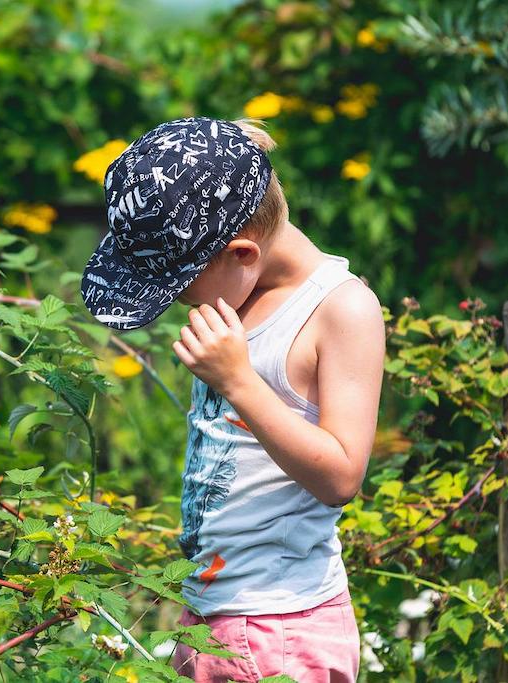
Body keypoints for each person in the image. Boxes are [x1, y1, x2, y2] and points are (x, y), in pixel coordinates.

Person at [79, 116, 386, 682]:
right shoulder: (238, 296)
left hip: (280, 625)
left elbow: (342, 476)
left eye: (177, 284)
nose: (174, 303)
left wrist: (239, 381)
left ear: (243, 253)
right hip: (213, 612)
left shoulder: (340, 311)